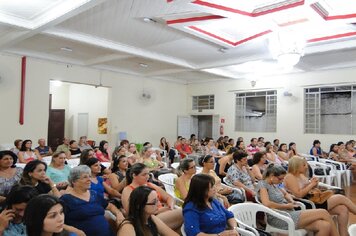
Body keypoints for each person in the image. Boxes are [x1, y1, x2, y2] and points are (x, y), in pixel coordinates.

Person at [258, 163, 339, 236]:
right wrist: (286, 206)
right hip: (279, 217)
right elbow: (267, 203)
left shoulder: (277, 184)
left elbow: (286, 194)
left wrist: (291, 201)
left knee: (325, 226)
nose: (282, 181)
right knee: (323, 212)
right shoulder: (263, 184)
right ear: (272, 176)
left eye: (283, 179)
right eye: (280, 179)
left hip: (289, 213)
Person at [284, 156, 356, 236]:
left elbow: (308, 189)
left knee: (343, 209)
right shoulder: (289, 177)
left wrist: (314, 184)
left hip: (313, 200)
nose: (306, 167)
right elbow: (299, 194)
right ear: (296, 166)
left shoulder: (301, 175)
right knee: (340, 198)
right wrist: (311, 185)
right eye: (304, 165)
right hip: (305, 204)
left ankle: (344, 234)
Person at [60, 165, 124, 236]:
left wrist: (119, 214)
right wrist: (75, 231)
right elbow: (57, 222)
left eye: (89, 176)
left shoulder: (94, 194)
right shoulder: (66, 199)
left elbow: (109, 206)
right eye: (85, 177)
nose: (89, 179)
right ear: (74, 181)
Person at [121, 163, 183, 231]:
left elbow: (169, 197)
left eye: (148, 174)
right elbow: (132, 212)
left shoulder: (150, 185)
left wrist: (170, 207)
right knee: (185, 213)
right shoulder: (128, 190)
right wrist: (160, 210)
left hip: (163, 212)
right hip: (149, 219)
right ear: (134, 175)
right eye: (144, 174)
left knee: (182, 227)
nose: (147, 177)